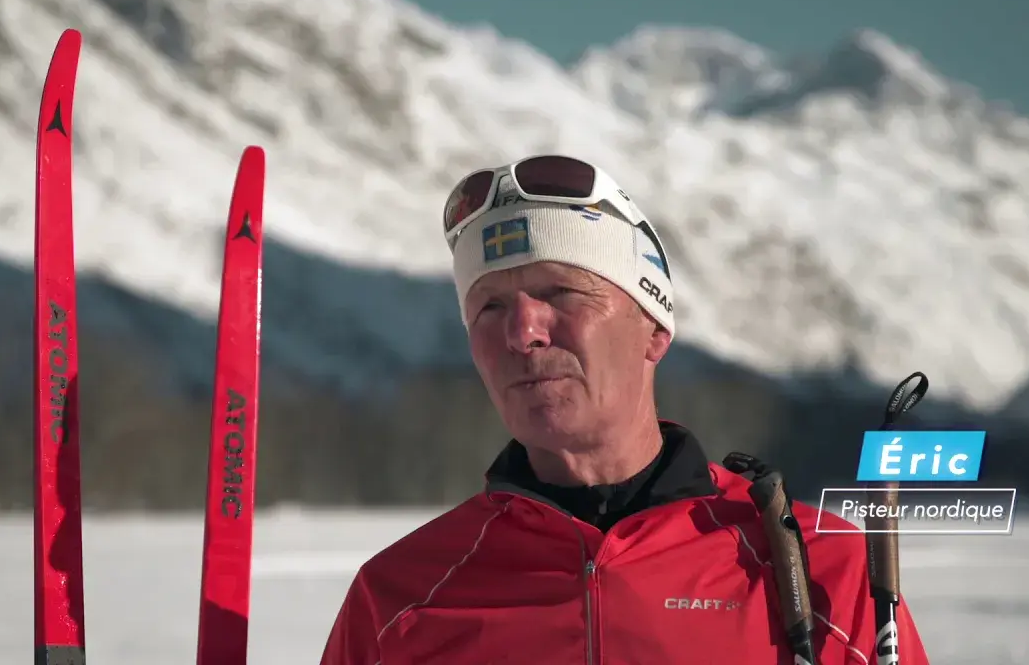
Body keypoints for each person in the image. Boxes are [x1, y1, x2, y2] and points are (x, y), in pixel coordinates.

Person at [319, 154, 928, 664]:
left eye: (560, 292)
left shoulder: (826, 569)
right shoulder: (398, 597)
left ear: (654, 329)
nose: (522, 332)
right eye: (489, 309)